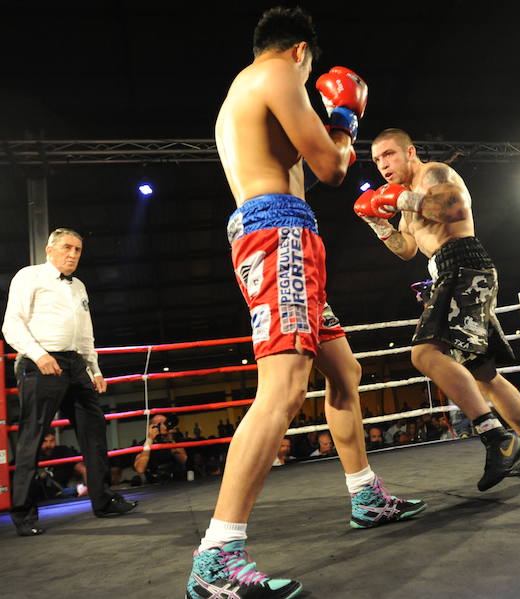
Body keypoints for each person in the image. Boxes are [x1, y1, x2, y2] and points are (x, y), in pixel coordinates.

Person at [187, 8, 425, 598]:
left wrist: (329, 141)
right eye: (310, 68)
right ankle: (216, 555)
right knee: (284, 391)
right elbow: (333, 166)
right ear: (300, 53)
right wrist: (344, 115)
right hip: (279, 236)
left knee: (344, 370)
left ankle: (365, 496)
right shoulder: (276, 76)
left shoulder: (247, 92)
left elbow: (301, 171)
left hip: (283, 230)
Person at [357, 128, 520, 491]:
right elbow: (406, 249)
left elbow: (451, 209)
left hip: (462, 263)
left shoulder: (434, 173)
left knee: (424, 355)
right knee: (484, 373)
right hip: (453, 271)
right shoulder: (405, 197)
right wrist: (377, 223)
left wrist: (401, 198)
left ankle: (496, 436)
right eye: (376, 160)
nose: (382, 165)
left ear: (410, 152)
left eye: (388, 154)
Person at [2, 227, 137, 537]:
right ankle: (23, 513)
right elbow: (12, 324)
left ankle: (102, 500)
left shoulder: (79, 287)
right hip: (40, 364)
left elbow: (85, 331)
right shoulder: (29, 276)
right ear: (49, 250)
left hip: (76, 364)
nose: (73, 254)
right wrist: (38, 355)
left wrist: (95, 369)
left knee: (94, 429)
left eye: (78, 249)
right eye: (67, 247)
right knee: (32, 436)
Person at [133, 413, 188, 482]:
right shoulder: (142, 445)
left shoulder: (172, 440)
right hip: (153, 485)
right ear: (151, 427)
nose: (164, 426)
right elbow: (140, 469)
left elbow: (183, 460)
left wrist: (170, 439)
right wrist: (149, 440)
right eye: (160, 424)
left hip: (175, 483)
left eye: (165, 423)